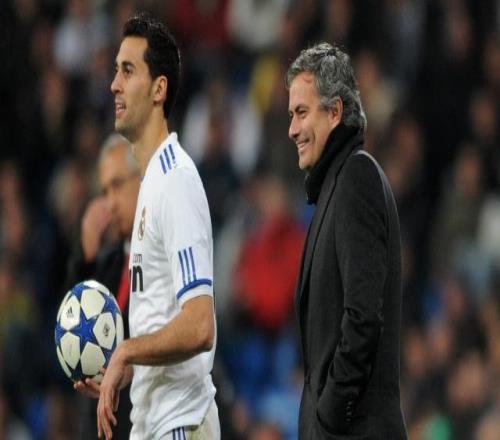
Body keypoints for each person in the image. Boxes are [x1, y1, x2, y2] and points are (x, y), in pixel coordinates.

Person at [75, 13, 219, 440]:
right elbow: (162, 317)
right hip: (154, 421)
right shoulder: (152, 182)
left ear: (159, 89)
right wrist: (125, 370)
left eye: (127, 70)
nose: (113, 85)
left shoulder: (175, 180)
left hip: (179, 421)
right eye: (115, 71)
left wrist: (126, 351)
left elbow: (200, 324)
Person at [286, 42, 407, 439]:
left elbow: (363, 316)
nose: (292, 129)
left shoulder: (357, 177)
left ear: (335, 112)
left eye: (302, 112)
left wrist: (330, 416)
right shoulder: (334, 187)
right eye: (291, 115)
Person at [66, 133, 139, 439]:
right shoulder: (106, 264)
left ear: (143, 177)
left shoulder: (163, 256)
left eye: (117, 185)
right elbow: (69, 328)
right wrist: (85, 256)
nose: (109, 202)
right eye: (104, 190)